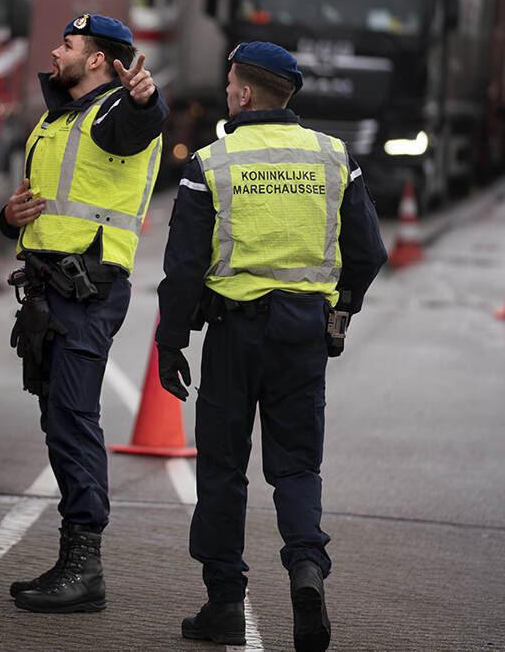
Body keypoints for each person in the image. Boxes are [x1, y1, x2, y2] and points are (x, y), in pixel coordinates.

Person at [155, 42, 387, 651]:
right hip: (302, 334)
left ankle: (225, 604)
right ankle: (306, 570)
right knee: (296, 466)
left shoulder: (212, 162)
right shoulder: (333, 157)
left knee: (224, 469)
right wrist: (341, 308)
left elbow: (182, 269)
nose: (228, 91)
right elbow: (368, 252)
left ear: (246, 93)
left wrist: (171, 342)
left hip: (234, 336)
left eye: (231, 82)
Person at [0, 13, 168, 613]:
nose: (55, 50)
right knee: (59, 419)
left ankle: (84, 567)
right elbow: (39, 208)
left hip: (88, 290)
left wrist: (146, 99)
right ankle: (73, 561)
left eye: (67, 44)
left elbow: (138, 124)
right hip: (49, 289)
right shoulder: (55, 119)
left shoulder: (112, 114)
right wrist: (9, 218)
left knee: (73, 415)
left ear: (96, 59)